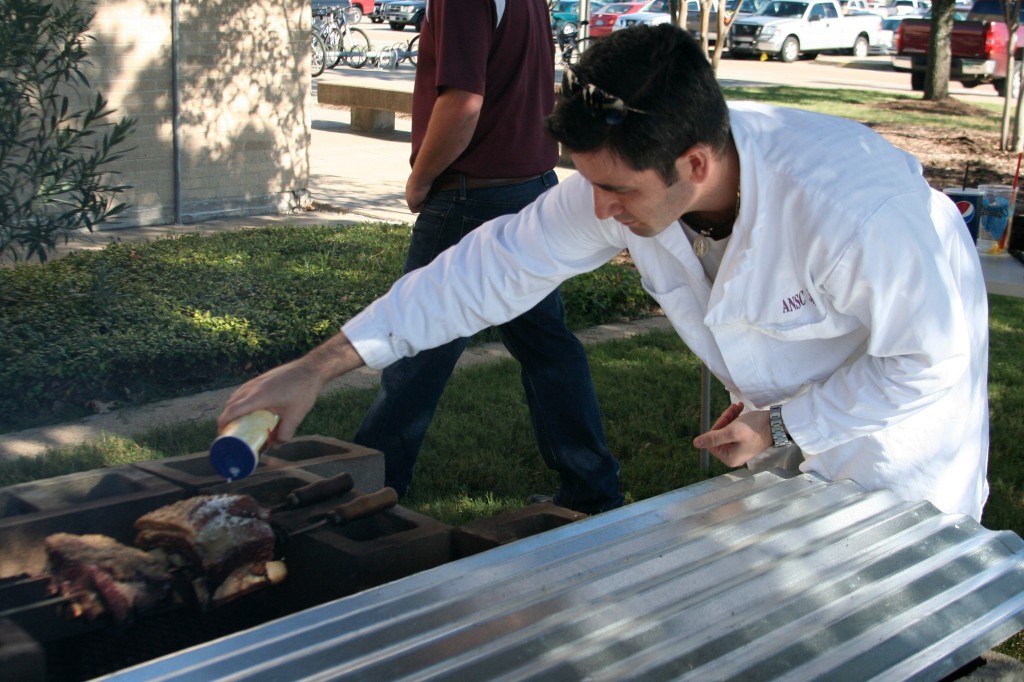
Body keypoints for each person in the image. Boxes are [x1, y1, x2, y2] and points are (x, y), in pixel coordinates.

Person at [220, 24, 989, 521]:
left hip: (900, 458)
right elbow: (490, 267)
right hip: (780, 444)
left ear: (694, 163)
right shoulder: (630, 181)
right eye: (590, 182)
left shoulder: (854, 211)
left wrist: (787, 422)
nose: (599, 207)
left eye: (617, 189)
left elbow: (930, 360)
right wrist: (318, 368)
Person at [351, 0, 624, 513]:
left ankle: (369, 495)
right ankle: (592, 489)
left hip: (473, 195)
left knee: (415, 344)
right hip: (530, 187)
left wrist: (421, 177)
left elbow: (463, 104)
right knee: (548, 350)